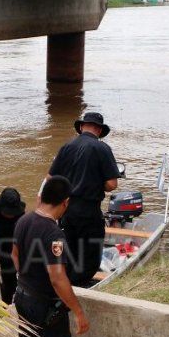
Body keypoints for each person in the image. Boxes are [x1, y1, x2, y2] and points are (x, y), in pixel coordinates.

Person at [12, 175, 89, 337]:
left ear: (42, 197)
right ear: (65, 202)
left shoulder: (24, 220)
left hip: (22, 294)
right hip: (43, 303)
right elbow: (58, 278)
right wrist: (78, 311)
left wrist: (27, 277)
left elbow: (15, 255)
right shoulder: (54, 233)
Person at [47, 111, 120, 286]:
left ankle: (66, 285)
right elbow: (111, 184)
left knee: (69, 250)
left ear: (81, 127)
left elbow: (51, 180)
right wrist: (94, 182)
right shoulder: (102, 148)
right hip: (89, 211)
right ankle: (79, 287)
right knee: (90, 256)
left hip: (65, 210)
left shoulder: (66, 147)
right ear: (100, 131)